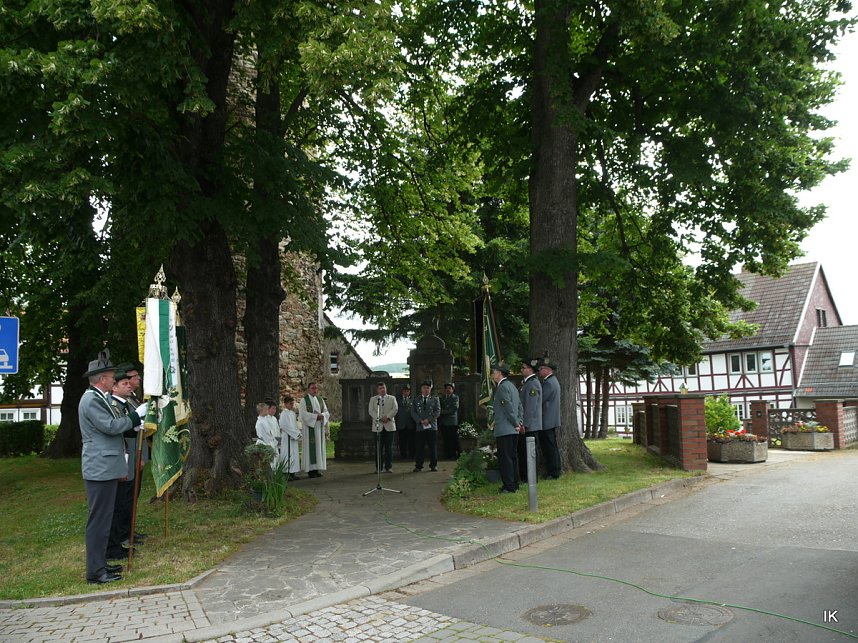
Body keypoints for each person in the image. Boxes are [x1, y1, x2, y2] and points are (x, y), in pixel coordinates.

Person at [78, 351, 147, 584]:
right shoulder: (91, 399)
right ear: (101, 380)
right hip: (100, 467)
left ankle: (100, 564)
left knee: (104, 518)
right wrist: (136, 417)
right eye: (109, 376)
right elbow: (110, 426)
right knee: (99, 520)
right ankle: (95, 573)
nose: (112, 379)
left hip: (105, 465)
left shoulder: (100, 397)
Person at [105, 367, 143, 561]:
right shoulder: (113, 404)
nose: (129, 386)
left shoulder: (125, 403)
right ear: (115, 387)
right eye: (124, 383)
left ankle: (125, 533)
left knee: (128, 498)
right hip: (121, 456)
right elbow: (119, 428)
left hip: (129, 455)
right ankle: (119, 538)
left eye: (130, 383)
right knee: (120, 502)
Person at [491, 363, 523, 493]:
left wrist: (516, 423)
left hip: (505, 428)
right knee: (513, 456)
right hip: (513, 429)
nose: (493, 374)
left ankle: (509, 486)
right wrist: (519, 422)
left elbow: (508, 408)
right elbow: (520, 406)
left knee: (505, 458)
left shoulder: (502, 387)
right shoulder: (512, 386)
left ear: (500, 374)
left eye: (494, 372)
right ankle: (514, 483)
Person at [517, 358, 543, 481]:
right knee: (524, 451)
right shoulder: (527, 383)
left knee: (531, 452)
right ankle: (527, 476)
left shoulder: (532, 383)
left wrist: (525, 424)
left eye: (523, 368)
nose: (521, 370)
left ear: (530, 369)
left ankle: (532, 476)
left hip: (531, 425)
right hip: (527, 425)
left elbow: (531, 407)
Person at [538, 357, 563, 479]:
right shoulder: (552, 381)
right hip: (550, 419)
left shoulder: (548, 383)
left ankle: (553, 472)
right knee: (551, 446)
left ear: (548, 370)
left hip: (547, 420)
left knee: (549, 447)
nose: (539, 371)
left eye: (541, 368)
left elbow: (540, 400)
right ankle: (554, 470)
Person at [299, 382, 330, 478]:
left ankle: (317, 469)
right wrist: (315, 417)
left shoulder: (320, 400)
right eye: (312, 388)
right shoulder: (304, 400)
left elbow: (326, 412)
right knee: (311, 448)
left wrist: (322, 416)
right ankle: (310, 470)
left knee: (318, 448)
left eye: (316, 388)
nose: (315, 390)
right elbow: (303, 414)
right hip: (309, 429)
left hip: (318, 428)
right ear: (308, 389)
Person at [368, 381, 398, 473]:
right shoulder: (373, 399)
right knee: (378, 448)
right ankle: (379, 468)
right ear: (377, 390)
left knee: (388, 448)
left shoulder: (392, 398)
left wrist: (388, 417)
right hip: (378, 426)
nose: (382, 390)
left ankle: (388, 467)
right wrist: (380, 418)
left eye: (383, 388)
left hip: (389, 426)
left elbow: (395, 409)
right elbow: (371, 410)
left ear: (386, 388)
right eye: (380, 388)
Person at [411, 380, 440, 472]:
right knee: (419, 447)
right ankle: (418, 466)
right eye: (424, 388)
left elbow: (437, 411)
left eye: (428, 388)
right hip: (420, 426)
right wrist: (420, 421)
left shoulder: (435, 399)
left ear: (430, 389)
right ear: (421, 389)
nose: (426, 389)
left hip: (432, 426)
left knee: (433, 447)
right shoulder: (416, 399)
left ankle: (433, 465)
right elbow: (413, 412)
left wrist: (429, 420)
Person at [278, 395, 302, 481]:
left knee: (294, 455)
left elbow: (295, 425)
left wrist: (298, 433)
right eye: (290, 403)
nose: (292, 405)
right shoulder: (283, 414)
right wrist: (295, 434)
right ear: (285, 404)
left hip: (293, 438)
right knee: (287, 454)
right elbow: (284, 426)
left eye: (292, 403)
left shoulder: (292, 413)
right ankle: (286, 473)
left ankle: (293, 472)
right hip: (287, 437)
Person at [255, 401, 280, 468]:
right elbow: (265, 435)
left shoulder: (265, 419)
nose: (267, 411)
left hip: (272, 443)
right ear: (261, 411)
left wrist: (276, 441)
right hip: (265, 444)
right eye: (266, 409)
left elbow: (274, 432)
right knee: (269, 464)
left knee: (275, 463)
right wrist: (272, 442)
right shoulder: (260, 422)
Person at [438, 382, 460, 460]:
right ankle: (447, 455)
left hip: (452, 422)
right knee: (445, 439)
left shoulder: (455, 397)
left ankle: (454, 454)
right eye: (446, 388)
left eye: (449, 388)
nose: (448, 390)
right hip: (443, 422)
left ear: (453, 390)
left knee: (453, 439)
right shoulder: (442, 398)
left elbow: (454, 408)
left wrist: (443, 412)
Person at [395, 384, 416, 460]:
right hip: (401, 423)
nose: (406, 392)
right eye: (404, 391)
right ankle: (403, 455)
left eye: (407, 391)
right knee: (402, 441)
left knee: (411, 441)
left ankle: (412, 455)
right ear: (402, 391)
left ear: (409, 392)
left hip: (410, 423)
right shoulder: (397, 399)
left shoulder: (413, 399)